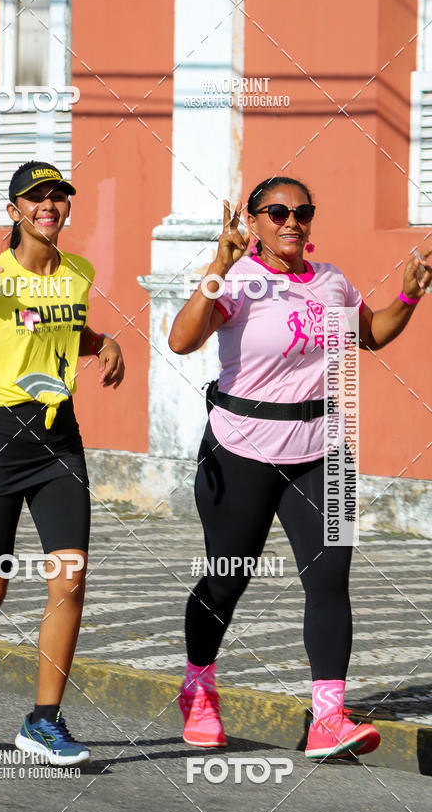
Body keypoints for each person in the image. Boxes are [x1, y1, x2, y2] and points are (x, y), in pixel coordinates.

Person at [168, 176, 430, 759]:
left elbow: (373, 335)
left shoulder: (332, 281)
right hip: (242, 450)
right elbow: (181, 339)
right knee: (227, 576)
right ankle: (198, 687)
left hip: (324, 451)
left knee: (330, 580)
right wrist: (217, 263)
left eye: (303, 211)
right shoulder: (236, 280)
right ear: (254, 220)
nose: (293, 221)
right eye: (278, 211)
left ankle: (328, 719)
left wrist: (409, 296)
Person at [0, 160, 124, 763]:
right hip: (0, 445)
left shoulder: (78, 273)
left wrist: (106, 342)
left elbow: (67, 330)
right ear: (14, 211)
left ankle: (43, 720)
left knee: (69, 578)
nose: (49, 206)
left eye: (57, 197)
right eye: (35, 198)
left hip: (60, 443)